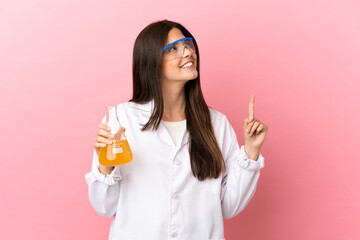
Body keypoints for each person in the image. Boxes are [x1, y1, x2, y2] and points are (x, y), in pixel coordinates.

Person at [85, 19, 268, 240]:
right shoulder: (121, 119)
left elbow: (229, 206)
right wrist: (105, 166)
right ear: (151, 61)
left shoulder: (216, 124)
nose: (188, 52)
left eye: (188, 45)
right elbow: (104, 207)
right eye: (173, 48)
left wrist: (250, 152)